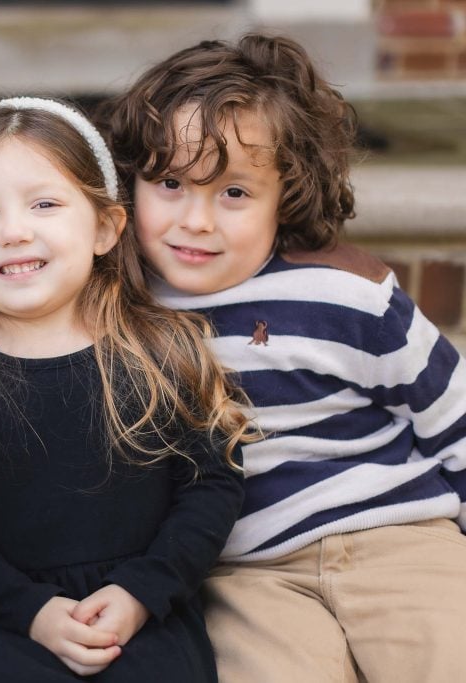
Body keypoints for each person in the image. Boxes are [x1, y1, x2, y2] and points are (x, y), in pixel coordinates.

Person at [99, 33, 466, 683]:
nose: (196, 220)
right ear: (131, 182)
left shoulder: (344, 295)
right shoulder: (120, 313)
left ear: (285, 195)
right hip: (247, 569)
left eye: (234, 193)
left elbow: (452, 413)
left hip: (399, 535)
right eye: (171, 182)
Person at [0, 96, 254, 682]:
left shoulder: (160, 350)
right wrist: (29, 611)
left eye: (44, 204)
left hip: (146, 610)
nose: (15, 232)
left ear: (105, 227)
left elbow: (212, 486)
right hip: (12, 619)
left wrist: (144, 591)